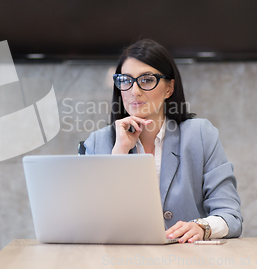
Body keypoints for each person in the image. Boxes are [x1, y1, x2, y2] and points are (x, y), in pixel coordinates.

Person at [84, 39, 242, 243]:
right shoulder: (98, 143)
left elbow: (231, 216)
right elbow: (90, 223)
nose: (134, 91)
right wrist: (120, 153)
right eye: (126, 80)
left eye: (147, 80)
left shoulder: (200, 135)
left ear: (169, 88)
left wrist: (202, 227)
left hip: (188, 259)